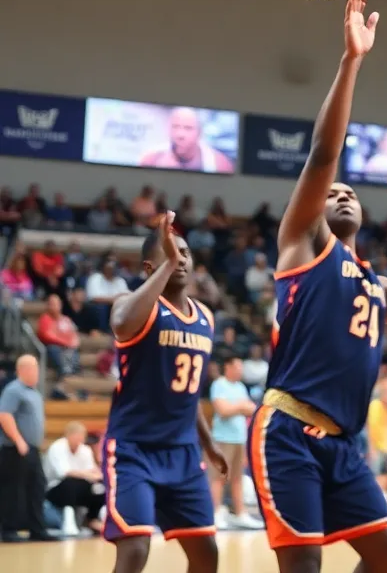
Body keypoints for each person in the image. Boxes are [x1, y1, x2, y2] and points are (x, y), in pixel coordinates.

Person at [251, 0, 387, 573]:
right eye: (333, 194)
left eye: (352, 194)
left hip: (343, 446)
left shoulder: (373, 282)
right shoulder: (303, 245)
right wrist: (352, 61)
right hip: (290, 430)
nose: (342, 193)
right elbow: (323, 156)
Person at [102, 213, 226, 572]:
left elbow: (188, 395)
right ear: (149, 266)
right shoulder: (133, 305)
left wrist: (208, 443)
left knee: (206, 554)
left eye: (185, 252)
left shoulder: (205, 316)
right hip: (133, 449)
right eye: (172, 252)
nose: (181, 258)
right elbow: (122, 325)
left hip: (183, 453)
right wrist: (168, 263)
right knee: (136, 549)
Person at [0, 355, 52, 541]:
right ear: (22, 370)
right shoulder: (13, 390)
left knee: (37, 488)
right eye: (34, 368)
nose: (37, 372)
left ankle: (37, 529)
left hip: (33, 449)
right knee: (13, 489)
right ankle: (8, 530)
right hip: (15, 448)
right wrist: (19, 440)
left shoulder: (35, 392)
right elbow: (5, 416)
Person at [209, 355, 261, 529]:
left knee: (238, 477)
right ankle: (215, 513)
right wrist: (239, 407)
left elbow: (252, 409)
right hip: (222, 439)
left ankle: (240, 513)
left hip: (240, 439)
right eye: (237, 367)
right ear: (228, 367)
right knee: (218, 477)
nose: (241, 371)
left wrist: (237, 407)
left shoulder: (240, 387)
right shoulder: (218, 385)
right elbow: (223, 410)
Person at [44, 420, 105, 534]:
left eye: (82, 436)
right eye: (77, 436)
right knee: (71, 483)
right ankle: (68, 521)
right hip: (55, 488)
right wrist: (88, 474)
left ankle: (92, 519)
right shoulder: (57, 447)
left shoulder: (85, 450)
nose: (80, 439)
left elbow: (92, 470)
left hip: (81, 486)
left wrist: (99, 475)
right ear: (69, 435)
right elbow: (64, 473)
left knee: (101, 488)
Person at [138, 107, 234, 173]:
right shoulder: (151, 158)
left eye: (188, 128)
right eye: (175, 127)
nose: (180, 134)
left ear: (199, 133)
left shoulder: (219, 164)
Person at [37, 293, 81, 377]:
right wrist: (65, 342)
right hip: (52, 348)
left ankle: (74, 371)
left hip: (67, 347)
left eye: (56, 303)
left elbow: (74, 335)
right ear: (48, 305)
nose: (54, 306)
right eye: (52, 304)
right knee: (53, 349)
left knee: (74, 351)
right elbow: (47, 336)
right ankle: (64, 371)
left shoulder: (66, 319)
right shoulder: (45, 318)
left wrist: (73, 342)